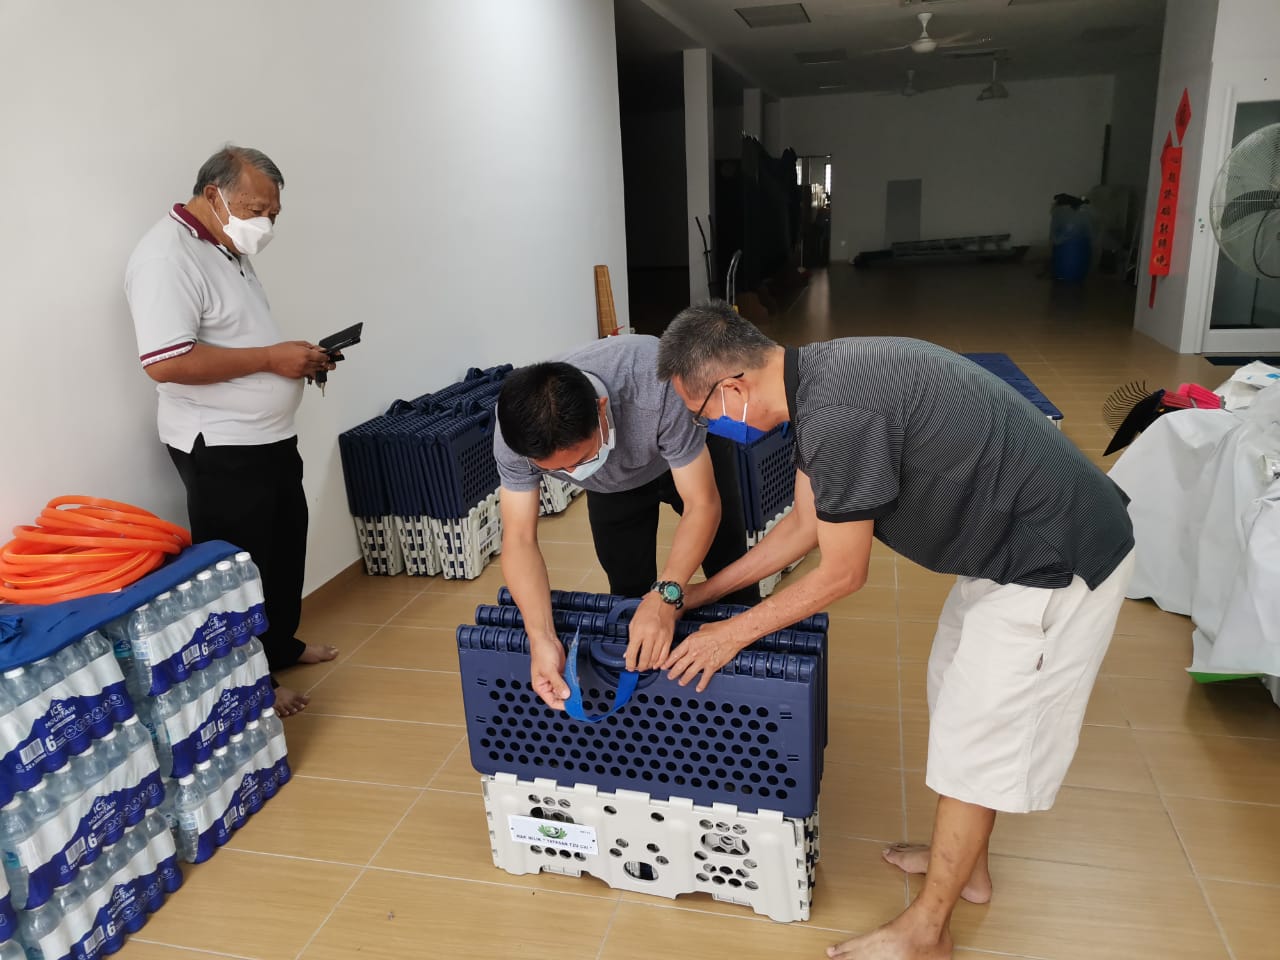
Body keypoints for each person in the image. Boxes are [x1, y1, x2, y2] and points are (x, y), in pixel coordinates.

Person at [655, 302, 1135, 960]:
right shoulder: (811, 380)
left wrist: (729, 634)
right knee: (956, 694)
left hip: (1057, 560)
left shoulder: (837, 413)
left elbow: (842, 572)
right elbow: (801, 529)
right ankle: (968, 866)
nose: (705, 425)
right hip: (1005, 553)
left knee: (982, 731)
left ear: (733, 386)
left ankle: (928, 931)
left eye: (702, 411)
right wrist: (696, 596)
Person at [125, 145, 339, 718]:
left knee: (284, 550)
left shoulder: (225, 248)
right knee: (239, 571)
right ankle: (253, 683)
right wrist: (273, 358)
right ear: (213, 194)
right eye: (255, 208)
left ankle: (281, 647)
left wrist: (298, 359)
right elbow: (167, 362)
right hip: (219, 448)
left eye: (272, 213)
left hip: (268, 441)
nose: (264, 223)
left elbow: (236, 338)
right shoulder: (166, 257)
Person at [493, 334, 760, 711]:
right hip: (611, 487)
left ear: (601, 410)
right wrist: (541, 638)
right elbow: (519, 538)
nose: (571, 473)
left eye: (578, 459)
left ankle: (748, 689)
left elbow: (703, 504)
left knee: (729, 567)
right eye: (558, 471)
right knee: (630, 595)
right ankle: (657, 702)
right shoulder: (516, 436)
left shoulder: (657, 384)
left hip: (684, 455)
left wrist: (669, 593)